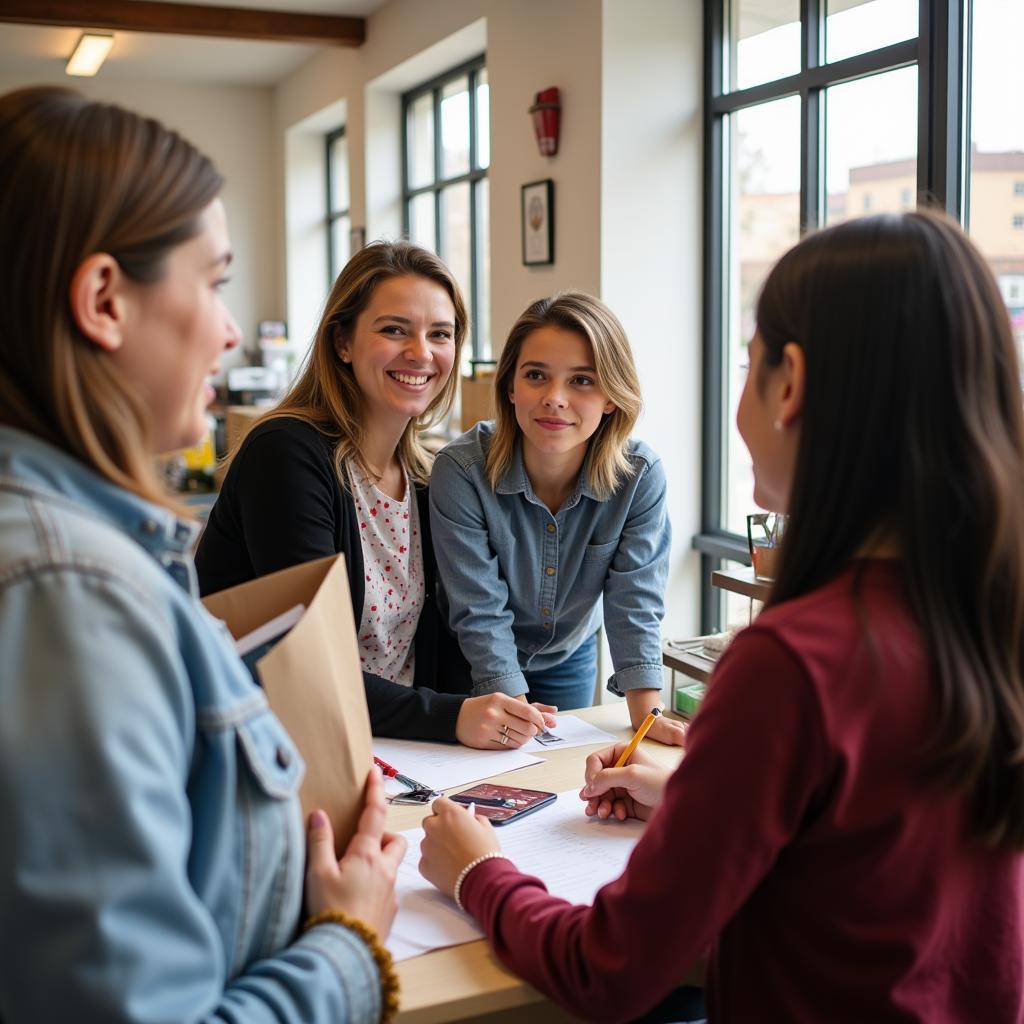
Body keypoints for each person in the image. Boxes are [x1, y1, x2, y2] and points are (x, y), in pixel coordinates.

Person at [418, 212, 1024, 1022]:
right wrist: (696, 806)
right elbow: (871, 858)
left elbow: (608, 968)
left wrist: (475, 870)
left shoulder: (790, 663)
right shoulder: (990, 616)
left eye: (748, 360)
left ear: (790, 382)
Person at [0, 86, 405, 1021]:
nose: (230, 330)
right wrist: (348, 947)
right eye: (214, 283)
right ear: (104, 300)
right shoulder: (68, 594)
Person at [195, 242, 555, 749]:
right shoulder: (287, 455)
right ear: (342, 341)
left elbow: (445, 637)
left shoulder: (430, 478)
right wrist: (453, 718)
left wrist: (499, 708)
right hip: (277, 748)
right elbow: (314, 665)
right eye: (394, 330)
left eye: (441, 335)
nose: (422, 353)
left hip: (395, 747)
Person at [429, 292, 686, 743]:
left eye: (582, 380)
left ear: (611, 395)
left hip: (568, 655)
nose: (555, 398)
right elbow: (478, 609)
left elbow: (635, 601)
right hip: (468, 661)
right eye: (535, 376)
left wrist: (647, 719)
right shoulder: (461, 470)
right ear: (511, 387)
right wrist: (512, 705)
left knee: (562, 788)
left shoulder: (639, 477)